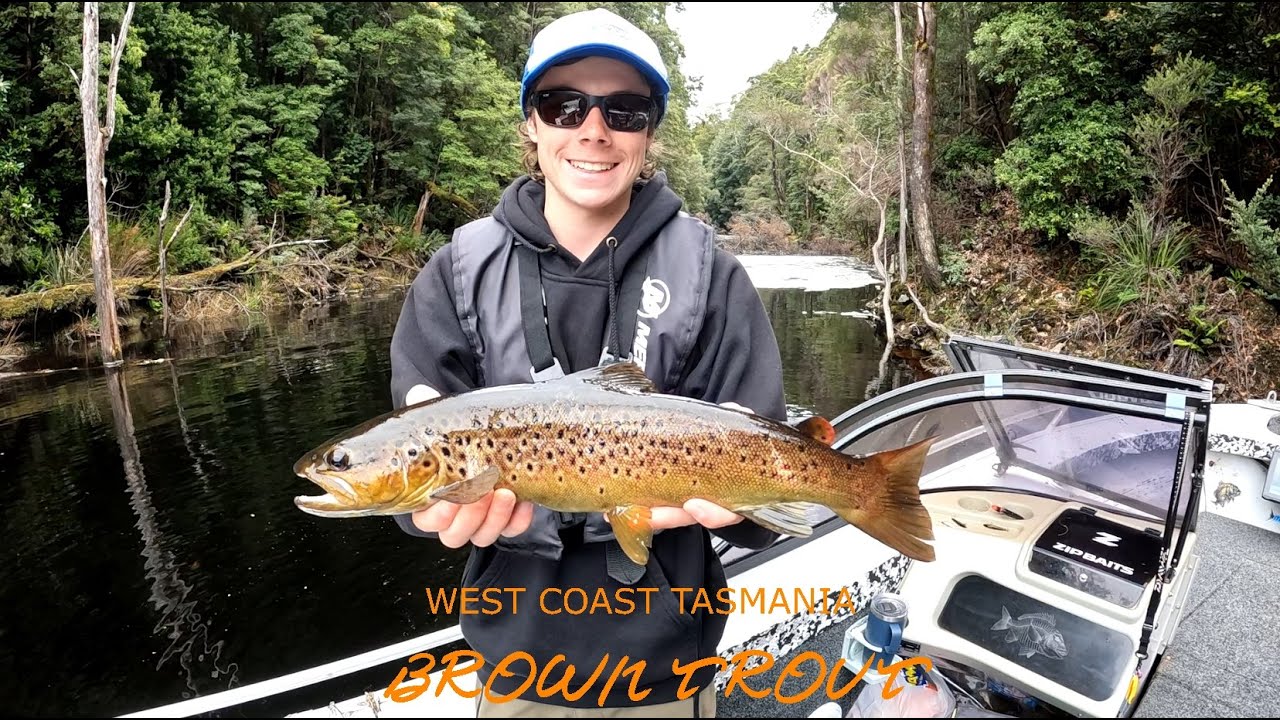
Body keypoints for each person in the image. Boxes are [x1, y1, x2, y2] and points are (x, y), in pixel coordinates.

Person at [387, 7, 787, 718]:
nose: (594, 129)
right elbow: (412, 499)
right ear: (531, 123)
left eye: (624, 110)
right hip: (516, 670)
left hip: (669, 670)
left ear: (649, 133)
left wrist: (746, 498)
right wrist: (427, 511)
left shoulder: (713, 278)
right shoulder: (455, 274)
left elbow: (763, 510)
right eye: (564, 105)